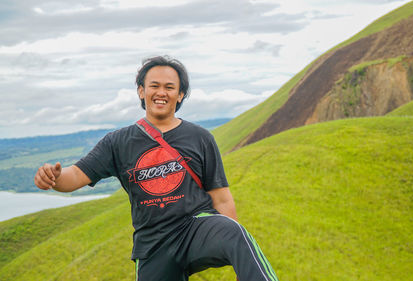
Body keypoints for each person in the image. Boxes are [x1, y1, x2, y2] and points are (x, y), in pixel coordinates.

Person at [34, 55, 279, 281]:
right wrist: (53, 178)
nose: (161, 92)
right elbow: (75, 176)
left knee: (234, 232)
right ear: (141, 91)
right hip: (153, 244)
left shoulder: (201, 137)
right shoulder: (117, 142)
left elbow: (222, 198)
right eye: (154, 85)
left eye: (169, 87)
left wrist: (228, 243)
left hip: (195, 227)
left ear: (180, 95)